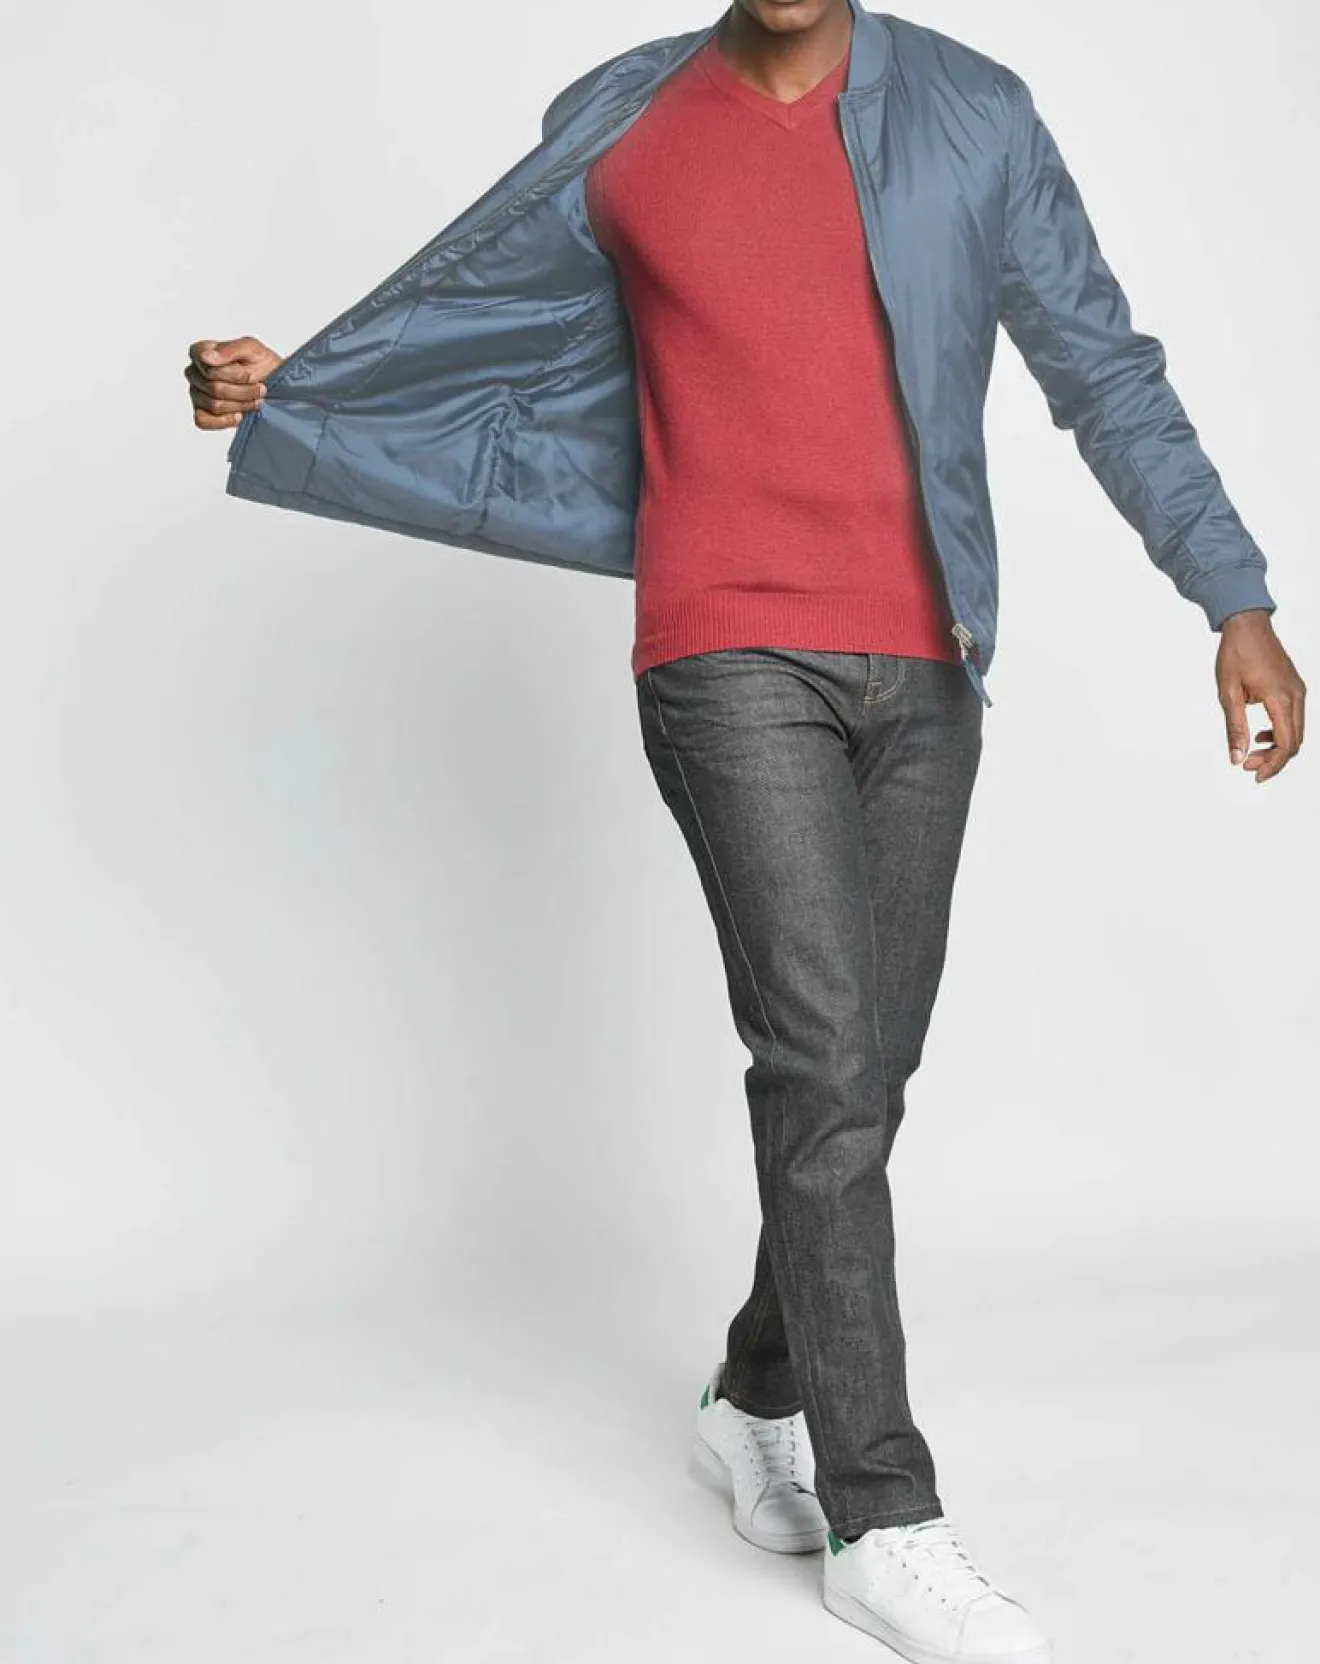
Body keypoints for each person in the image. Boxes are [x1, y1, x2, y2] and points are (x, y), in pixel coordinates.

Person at [184, 3, 1305, 1660]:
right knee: (824, 1061)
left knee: (864, 1076)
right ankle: (883, 1516)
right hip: (721, 650)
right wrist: (305, 390)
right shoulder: (623, 123)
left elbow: (1100, 365)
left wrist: (1233, 598)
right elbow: (481, 326)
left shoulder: (974, 114)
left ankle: (755, 1390)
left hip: (930, 658)